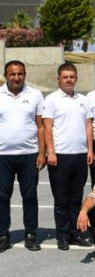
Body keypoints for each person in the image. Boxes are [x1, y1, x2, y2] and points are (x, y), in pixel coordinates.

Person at [42, 62, 92, 249]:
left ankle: (75, 234)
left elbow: (89, 126)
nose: (69, 80)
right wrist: (51, 151)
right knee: (61, 200)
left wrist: (90, 150)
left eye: (72, 77)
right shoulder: (51, 100)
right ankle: (62, 235)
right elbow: (47, 127)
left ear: (76, 78)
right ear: (58, 79)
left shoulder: (84, 100)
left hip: (80, 155)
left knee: (76, 199)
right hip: (60, 156)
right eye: (65, 77)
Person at [0, 61, 45, 253]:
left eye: (20, 74)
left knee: (30, 196)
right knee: (2, 197)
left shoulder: (35, 95)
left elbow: (41, 126)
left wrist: (42, 152)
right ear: (5, 76)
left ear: (25, 75)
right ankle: (3, 236)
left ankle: (31, 235)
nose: (16, 77)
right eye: (12, 74)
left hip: (29, 155)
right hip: (3, 156)